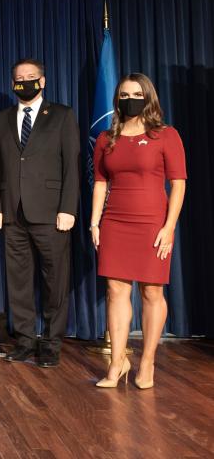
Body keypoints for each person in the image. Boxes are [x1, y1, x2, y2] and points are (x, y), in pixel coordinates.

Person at [91, 73, 186, 389]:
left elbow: (178, 184)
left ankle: (147, 363)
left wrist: (169, 227)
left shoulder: (166, 135)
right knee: (115, 291)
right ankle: (117, 363)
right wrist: (95, 223)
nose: (128, 98)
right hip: (115, 223)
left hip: (152, 224)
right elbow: (100, 183)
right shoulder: (107, 138)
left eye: (135, 93)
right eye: (123, 94)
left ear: (148, 97)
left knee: (151, 291)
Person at [0, 58, 80, 368]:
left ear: (42, 82)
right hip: (13, 213)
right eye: (18, 77)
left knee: (54, 281)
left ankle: (52, 343)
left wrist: (68, 208)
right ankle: (25, 341)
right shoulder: (0, 120)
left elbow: (72, 168)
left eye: (29, 77)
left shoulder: (62, 116)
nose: (23, 81)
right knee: (19, 281)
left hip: (52, 214)